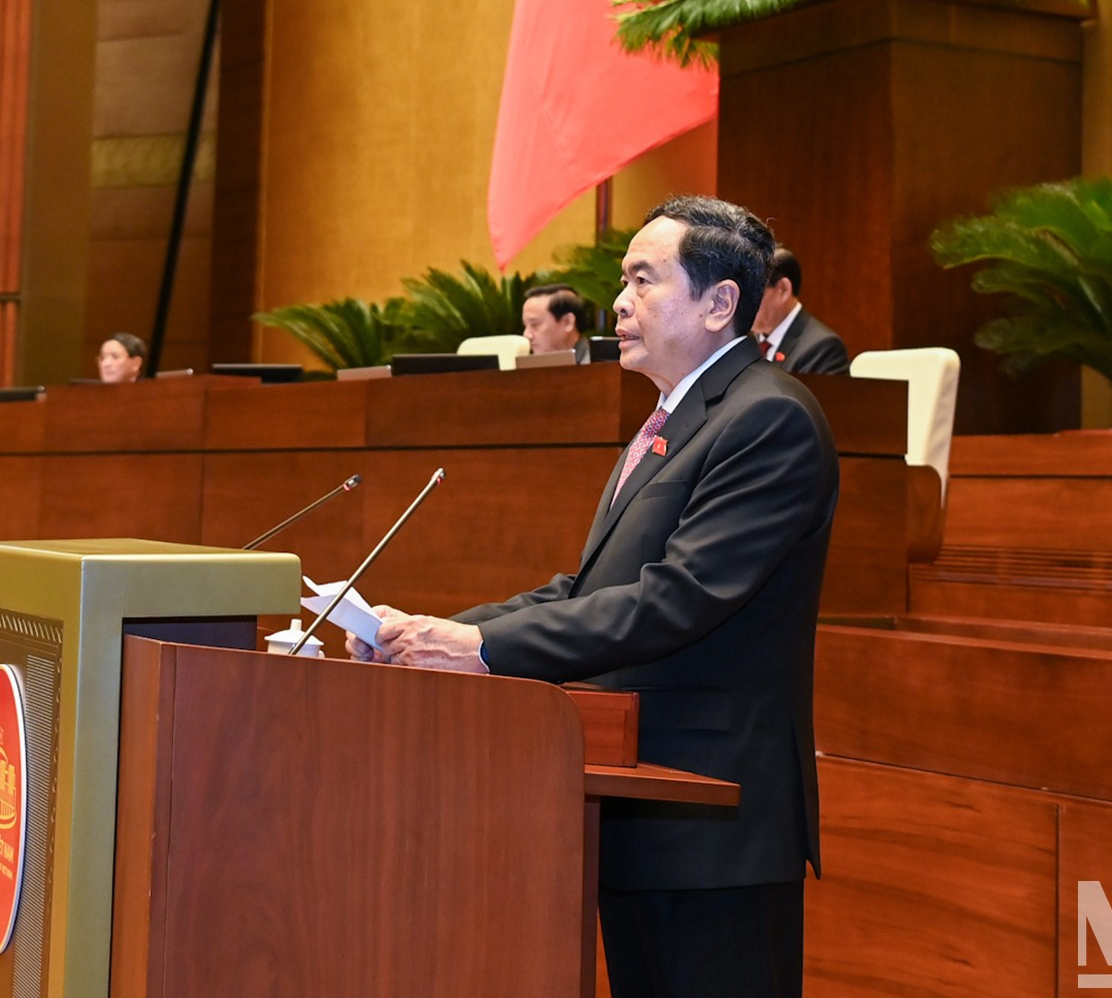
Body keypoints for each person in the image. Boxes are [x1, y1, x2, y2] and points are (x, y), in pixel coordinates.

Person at [358, 195, 838, 998]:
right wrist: (435, 633)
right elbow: (586, 590)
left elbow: (675, 599)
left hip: (714, 817)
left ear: (721, 304)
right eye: (623, 280)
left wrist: (481, 652)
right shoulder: (669, 421)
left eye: (644, 280)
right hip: (641, 801)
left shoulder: (769, 420)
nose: (617, 302)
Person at [752, 246, 850, 375]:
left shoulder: (822, 348)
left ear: (783, 289)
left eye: (753, 293)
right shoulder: (747, 340)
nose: (743, 303)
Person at [520, 282, 590, 362]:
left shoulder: (599, 366)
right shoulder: (531, 367)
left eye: (535, 325)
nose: (526, 335)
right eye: (525, 326)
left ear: (567, 322)